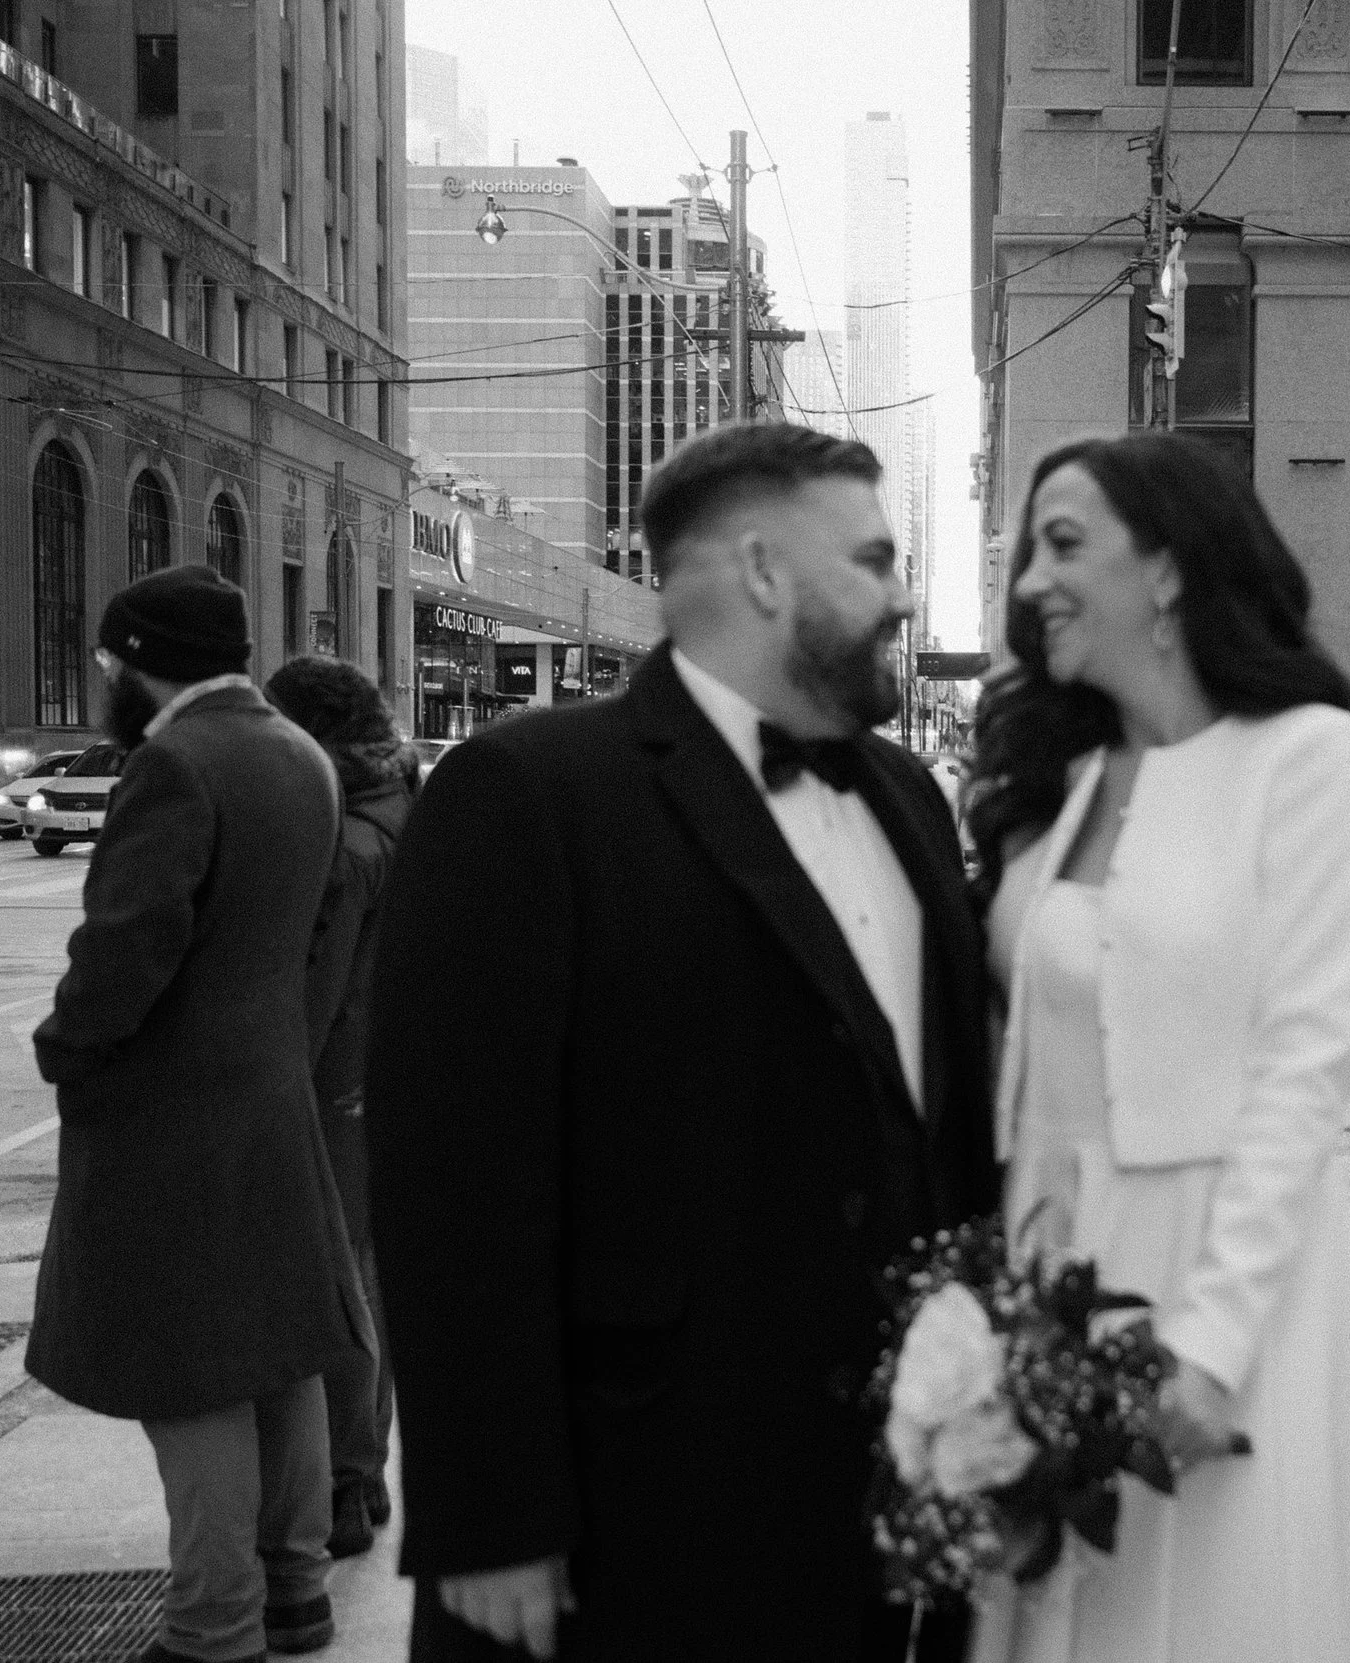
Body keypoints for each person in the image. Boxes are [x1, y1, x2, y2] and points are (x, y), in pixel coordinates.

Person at [364, 422, 998, 1663]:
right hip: (637, 1515)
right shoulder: (524, 794)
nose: (902, 594)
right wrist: (489, 1511)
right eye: (872, 560)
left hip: (882, 1515)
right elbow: (451, 1185)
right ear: (763, 570)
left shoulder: (910, 797)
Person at [962, 432, 1350, 1663]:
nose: (1031, 584)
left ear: (1166, 571)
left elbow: (1304, 1070)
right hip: (1053, 1266)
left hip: (1228, 1272)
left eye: (1065, 546)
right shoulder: (1054, 779)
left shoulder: (1306, 757)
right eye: (1026, 554)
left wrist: (1209, 1348)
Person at [28, 565, 367, 1663]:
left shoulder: (176, 761)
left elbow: (126, 949)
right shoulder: (296, 753)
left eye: (107, 662)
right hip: (271, 1101)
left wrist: (67, 1047)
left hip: (174, 1121)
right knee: (279, 1353)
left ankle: (211, 1624)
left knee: (192, 1371)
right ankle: (293, 1591)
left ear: (140, 660)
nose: (105, 681)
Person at [266, 654, 419, 1560]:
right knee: (374, 1284)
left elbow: (314, 1002)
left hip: (342, 1090)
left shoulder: (348, 845)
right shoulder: (405, 803)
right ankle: (367, 1466)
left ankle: (348, 1480)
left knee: (343, 1285)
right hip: (395, 1083)